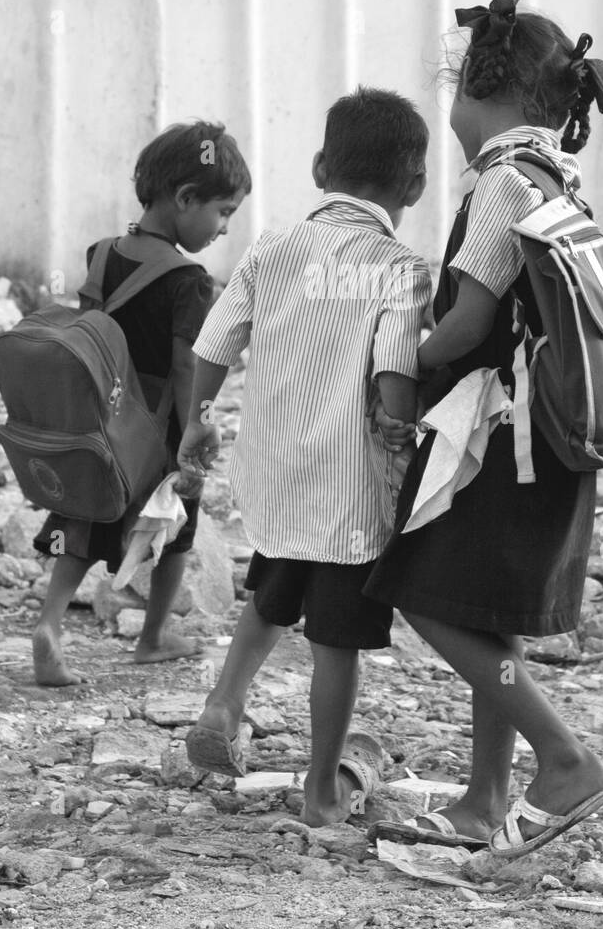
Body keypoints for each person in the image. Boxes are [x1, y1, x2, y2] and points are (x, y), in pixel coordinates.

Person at [364, 0, 603, 856]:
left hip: (495, 444)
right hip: (544, 441)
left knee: (419, 592)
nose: (454, 120)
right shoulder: (556, 177)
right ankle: (481, 800)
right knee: (480, 606)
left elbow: (470, 324)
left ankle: (563, 756)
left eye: (457, 97)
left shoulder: (502, 182)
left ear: (481, 88)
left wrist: (400, 357)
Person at [177, 88, 431, 827]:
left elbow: (215, 344)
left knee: (269, 594)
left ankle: (224, 705)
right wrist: (402, 429)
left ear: (321, 165)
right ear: (413, 186)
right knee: (337, 642)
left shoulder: (270, 249)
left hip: (276, 471)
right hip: (349, 484)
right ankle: (321, 788)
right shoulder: (400, 269)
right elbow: (393, 380)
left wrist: (197, 420)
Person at [31, 121, 251, 686]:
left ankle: (51, 623)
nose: (225, 227)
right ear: (184, 199)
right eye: (223, 211)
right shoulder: (190, 281)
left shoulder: (103, 253)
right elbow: (186, 366)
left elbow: (91, 330)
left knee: (84, 517)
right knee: (177, 523)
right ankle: (152, 637)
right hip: (158, 424)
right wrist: (197, 429)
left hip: (101, 417)